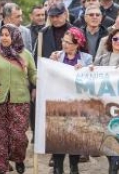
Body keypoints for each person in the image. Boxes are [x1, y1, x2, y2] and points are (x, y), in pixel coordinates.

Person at [0, 24, 37, 174]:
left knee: (18, 137)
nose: (4, 37)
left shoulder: (26, 54)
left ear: (15, 36)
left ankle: (18, 158)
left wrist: (39, 80)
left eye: (8, 34)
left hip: (20, 101)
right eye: (2, 34)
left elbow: (33, 73)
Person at [91, 29, 119, 174]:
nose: (118, 42)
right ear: (110, 41)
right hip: (104, 103)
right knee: (107, 136)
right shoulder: (101, 58)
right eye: (115, 39)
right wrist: (87, 69)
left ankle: (114, 167)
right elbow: (91, 76)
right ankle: (113, 163)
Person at [49, 28, 92, 174]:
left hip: (77, 103)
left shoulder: (86, 59)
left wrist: (85, 69)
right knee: (58, 134)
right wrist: (52, 63)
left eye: (68, 42)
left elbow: (91, 80)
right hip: (59, 102)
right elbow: (49, 76)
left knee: (75, 135)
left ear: (77, 44)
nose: (64, 45)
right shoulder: (56, 56)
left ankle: (74, 166)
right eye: (63, 41)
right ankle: (58, 166)